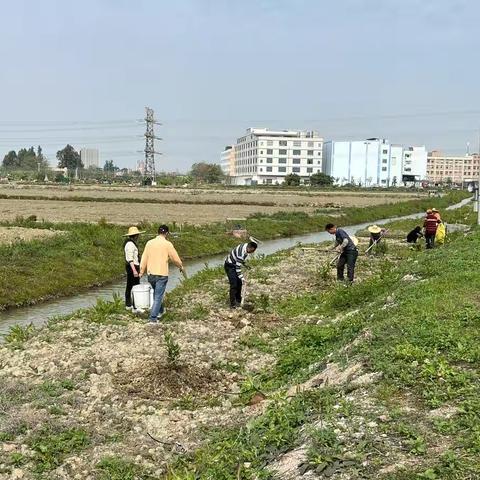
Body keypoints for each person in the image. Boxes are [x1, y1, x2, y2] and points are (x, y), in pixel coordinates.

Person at [139, 224, 184, 324]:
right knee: (158, 296)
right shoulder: (167, 244)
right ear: (167, 233)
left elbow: (144, 258)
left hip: (151, 274)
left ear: (158, 232)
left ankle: (160, 311)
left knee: (157, 294)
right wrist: (180, 266)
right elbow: (175, 258)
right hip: (162, 274)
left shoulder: (149, 243)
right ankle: (153, 318)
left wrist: (141, 271)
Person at [224, 241, 258, 308]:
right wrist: (243, 278)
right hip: (230, 266)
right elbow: (237, 268)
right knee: (234, 285)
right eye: (252, 250)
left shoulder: (246, 247)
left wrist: (245, 265)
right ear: (250, 247)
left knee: (239, 283)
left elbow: (240, 260)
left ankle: (238, 299)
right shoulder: (241, 253)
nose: (252, 252)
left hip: (234, 264)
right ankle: (232, 304)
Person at [123, 226, 145, 310]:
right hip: (132, 267)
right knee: (131, 286)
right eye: (137, 235)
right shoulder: (130, 244)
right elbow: (130, 258)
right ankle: (129, 305)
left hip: (133, 266)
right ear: (135, 236)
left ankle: (134, 304)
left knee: (135, 286)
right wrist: (134, 270)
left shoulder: (131, 243)